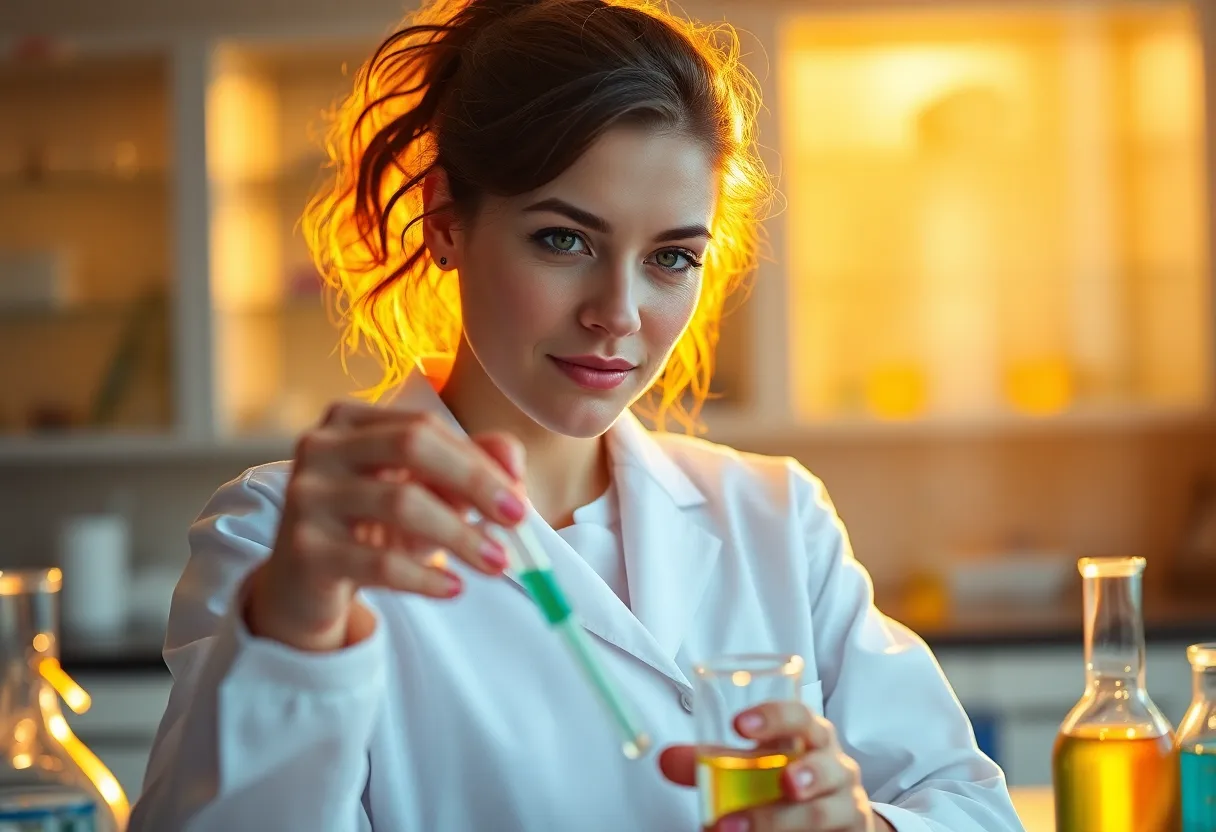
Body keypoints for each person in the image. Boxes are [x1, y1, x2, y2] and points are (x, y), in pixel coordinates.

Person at [129, 1, 1025, 830]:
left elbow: (970, 805)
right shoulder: (286, 538)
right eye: (565, 239)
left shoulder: (774, 517)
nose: (619, 312)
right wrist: (295, 627)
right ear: (446, 219)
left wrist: (855, 823)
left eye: (671, 257)